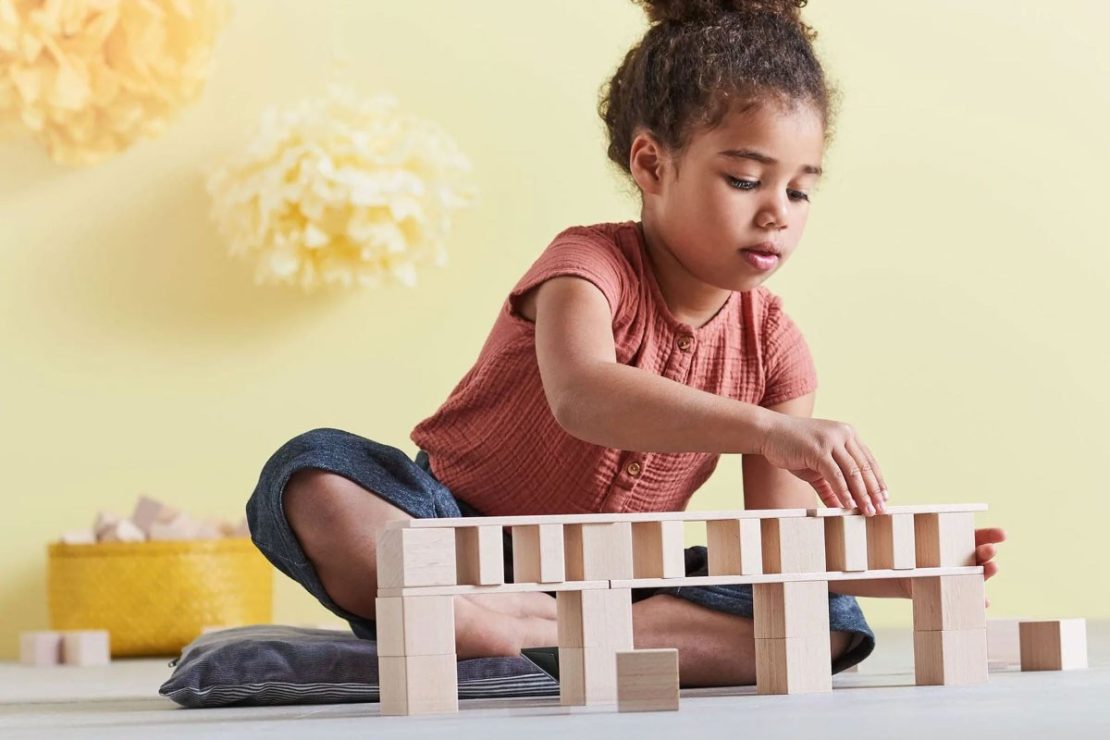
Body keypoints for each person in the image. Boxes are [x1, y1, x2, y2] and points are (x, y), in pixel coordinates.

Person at [246, 0, 1005, 686]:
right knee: (313, 473)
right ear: (651, 163)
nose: (778, 213)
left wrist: (914, 574)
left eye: (800, 190)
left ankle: (537, 636)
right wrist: (771, 431)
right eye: (745, 179)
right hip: (453, 537)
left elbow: (782, 545)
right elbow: (585, 397)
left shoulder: (775, 346)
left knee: (824, 622)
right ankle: (504, 620)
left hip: (617, 578)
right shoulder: (586, 267)